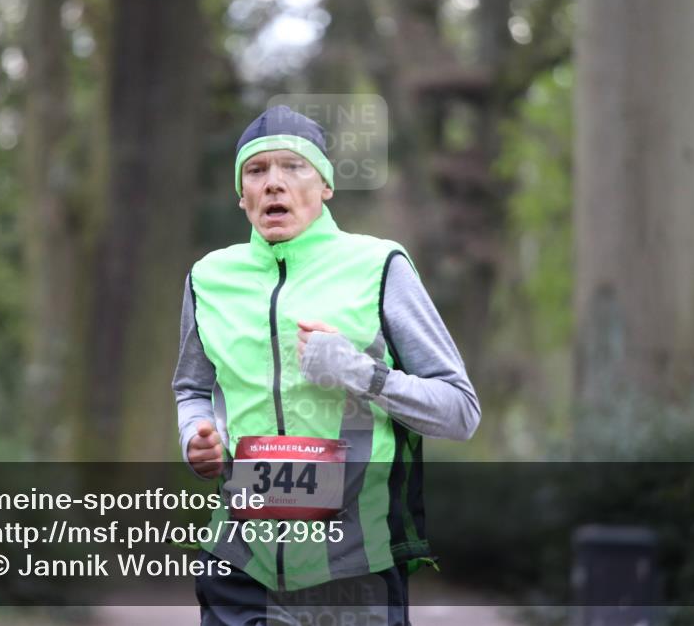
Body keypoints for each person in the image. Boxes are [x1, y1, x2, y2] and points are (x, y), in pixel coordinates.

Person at [173, 105, 481, 625]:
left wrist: (359, 372)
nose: (274, 183)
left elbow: (460, 411)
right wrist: (194, 436)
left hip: (354, 571)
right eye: (257, 170)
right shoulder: (209, 279)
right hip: (238, 566)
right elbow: (192, 389)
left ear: (326, 186)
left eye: (294, 167)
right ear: (241, 194)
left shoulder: (378, 267)